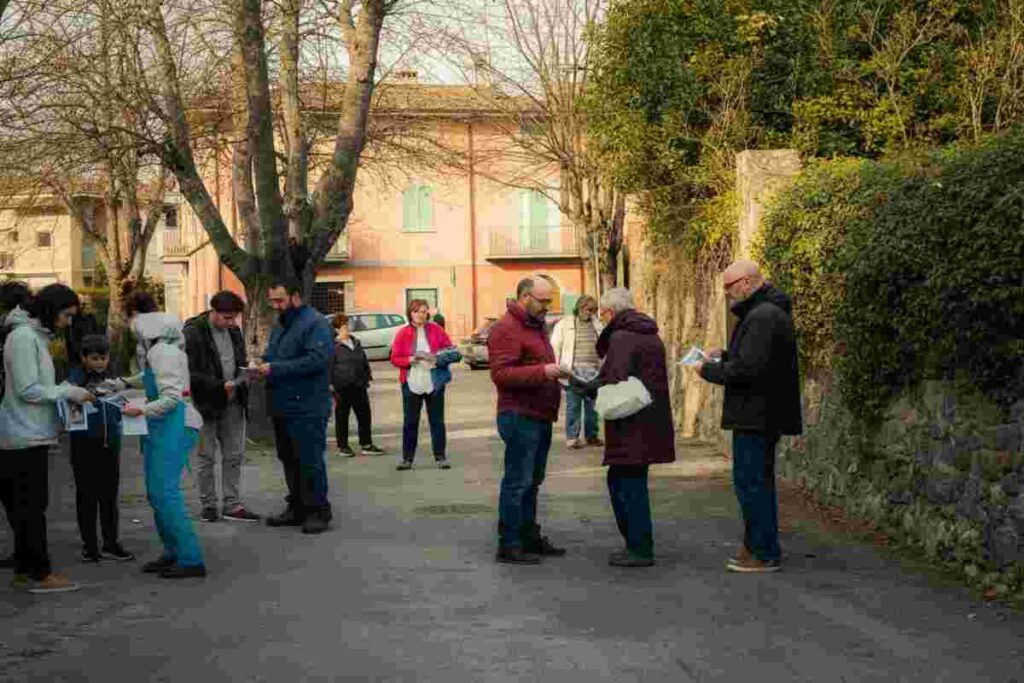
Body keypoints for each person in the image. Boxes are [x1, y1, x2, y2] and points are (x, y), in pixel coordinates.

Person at [694, 259, 802, 573]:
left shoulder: (763, 316)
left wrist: (709, 370)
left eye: (728, 287)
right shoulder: (766, 312)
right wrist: (724, 355)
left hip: (757, 414)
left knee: (752, 483)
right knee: (756, 482)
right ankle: (756, 546)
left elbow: (748, 370)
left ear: (745, 282)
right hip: (762, 413)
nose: (727, 295)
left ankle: (764, 552)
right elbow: (755, 359)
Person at [0, 283, 93, 593]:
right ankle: (40, 573)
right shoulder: (24, 338)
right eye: (66, 315)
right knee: (30, 507)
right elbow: (29, 389)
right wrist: (67, 391)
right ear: (51, 311)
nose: (68, 322)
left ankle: (27, 568)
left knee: (25, 506)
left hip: (29, 431)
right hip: (23, 433)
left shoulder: (29, 336)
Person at [577, 288, 675, 567]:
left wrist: (586, 387)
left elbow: (614, 379)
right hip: (650, 421)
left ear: (610, 313)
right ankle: (639, 545)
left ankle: (639, 548)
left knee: (626, 486)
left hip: (630, 424)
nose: (602, 319)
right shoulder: (649, 333)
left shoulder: (620, 337)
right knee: (633, 483)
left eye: (603, 314)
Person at [119, 291, 207, 579]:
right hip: (168, 425)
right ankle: (173, 552)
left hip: (174, 425)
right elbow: (151, 380)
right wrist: (119, 383)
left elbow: (171, 398)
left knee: (165, 494)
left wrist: (141, 411)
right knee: (158, 494)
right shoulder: (162, 348)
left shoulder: (162, 352)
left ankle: (190, 558)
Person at [488, 277, 569, 565]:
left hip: (539, 415)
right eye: (544, 301)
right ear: (524, 297)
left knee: (532, 481)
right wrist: (544, 372)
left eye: (550, 301)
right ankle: (509, 544)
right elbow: (501, 374)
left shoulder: (536, 325)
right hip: (519, 415)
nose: (548, 307)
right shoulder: (505, 328)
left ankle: (527, 536)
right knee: (518, 481)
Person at [248, 278, 335, 535]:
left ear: (296, 296)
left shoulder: (315, 323)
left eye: (280, 300)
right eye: (272, 300)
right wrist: (260, 364)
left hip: (307, 404)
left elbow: (317, 361)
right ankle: (297, 507)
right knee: (289, 458)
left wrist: (275, 368)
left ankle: (318, 511)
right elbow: (277, 354)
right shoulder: (283, 323)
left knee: (309, 459)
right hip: (283, 403)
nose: (275, 306)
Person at [184, 290, 259, 523]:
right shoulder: (193, 332)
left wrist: (248, 370)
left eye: (234, 318)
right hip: (205, 403)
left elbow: (239, 360)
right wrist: (218, 385)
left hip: (234, 400)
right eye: (227, 318)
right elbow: (188, 372)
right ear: (213, 311)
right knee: (206, 456)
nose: (231, 323)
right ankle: (209, 504)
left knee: (234, 455)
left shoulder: (234, 331)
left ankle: (232, 504)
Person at [66, 334, 135, 563]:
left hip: (110, 443)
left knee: (109, 496)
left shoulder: (112, 379)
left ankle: (111, 543)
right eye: (94, 358)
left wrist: (126, 407)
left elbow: (122, 405)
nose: (99, 363)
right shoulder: (74, 381)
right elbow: (70, 411)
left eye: (103, 358)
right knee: (87, 496)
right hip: (84, 444)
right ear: (83, 358)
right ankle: (90, 545)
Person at [389, 299, 461, 471]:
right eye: (417, 311)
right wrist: (410, 359)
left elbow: (453, 352)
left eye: (423, 311)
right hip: (411, 382)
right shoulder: (402, 333)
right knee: (410, 422)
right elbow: (394, 358)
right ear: (410, 313)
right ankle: (407, 459)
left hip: (434, 382)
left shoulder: (437, 330)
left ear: (427, 313)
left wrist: (436, 358)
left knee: (437, 421)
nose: (421, 314)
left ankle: (440, 457)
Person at [0, 279, 31, 569]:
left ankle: (23, 551)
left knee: (12, 493)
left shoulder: (10, 331)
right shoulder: (18, 332)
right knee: (16, 494)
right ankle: (24, 550)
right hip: (10, 420)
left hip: (7, 417)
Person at [550, 295, 603, 449]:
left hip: (594, 373)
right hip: (572, 373)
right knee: (573, 406)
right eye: (588, 309)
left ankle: (591, 436)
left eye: (593, 310)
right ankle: (572, 438)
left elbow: (605, 346)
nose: (590, 313)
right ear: (579, 308)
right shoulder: (564, 324)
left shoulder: (598, 325)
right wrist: (557, 368)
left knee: (592, 408)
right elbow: (555, 346)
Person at [330, 314, 384, 457]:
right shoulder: (332, 346)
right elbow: (327, 366)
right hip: (341, 387)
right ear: (336, 329)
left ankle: (366, 444)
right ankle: (343, 446)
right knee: (342, 417)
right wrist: (330, 385)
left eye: (348, 325)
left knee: (364, 415)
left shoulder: (356, 342)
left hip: (359, 385)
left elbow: (364, 361)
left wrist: (367, 378)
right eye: (344, 326)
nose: (347, 328)